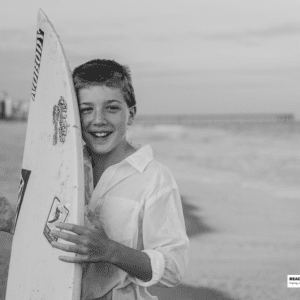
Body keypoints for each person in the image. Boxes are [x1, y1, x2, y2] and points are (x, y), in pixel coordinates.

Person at [51, 59, 189, 300]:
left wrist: (110, 250)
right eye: (86, 109)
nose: (98, 119)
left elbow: (173, 269)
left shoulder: (153, 178)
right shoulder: (61, 169)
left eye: (111, 107)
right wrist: (14, 226)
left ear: (131, 114)